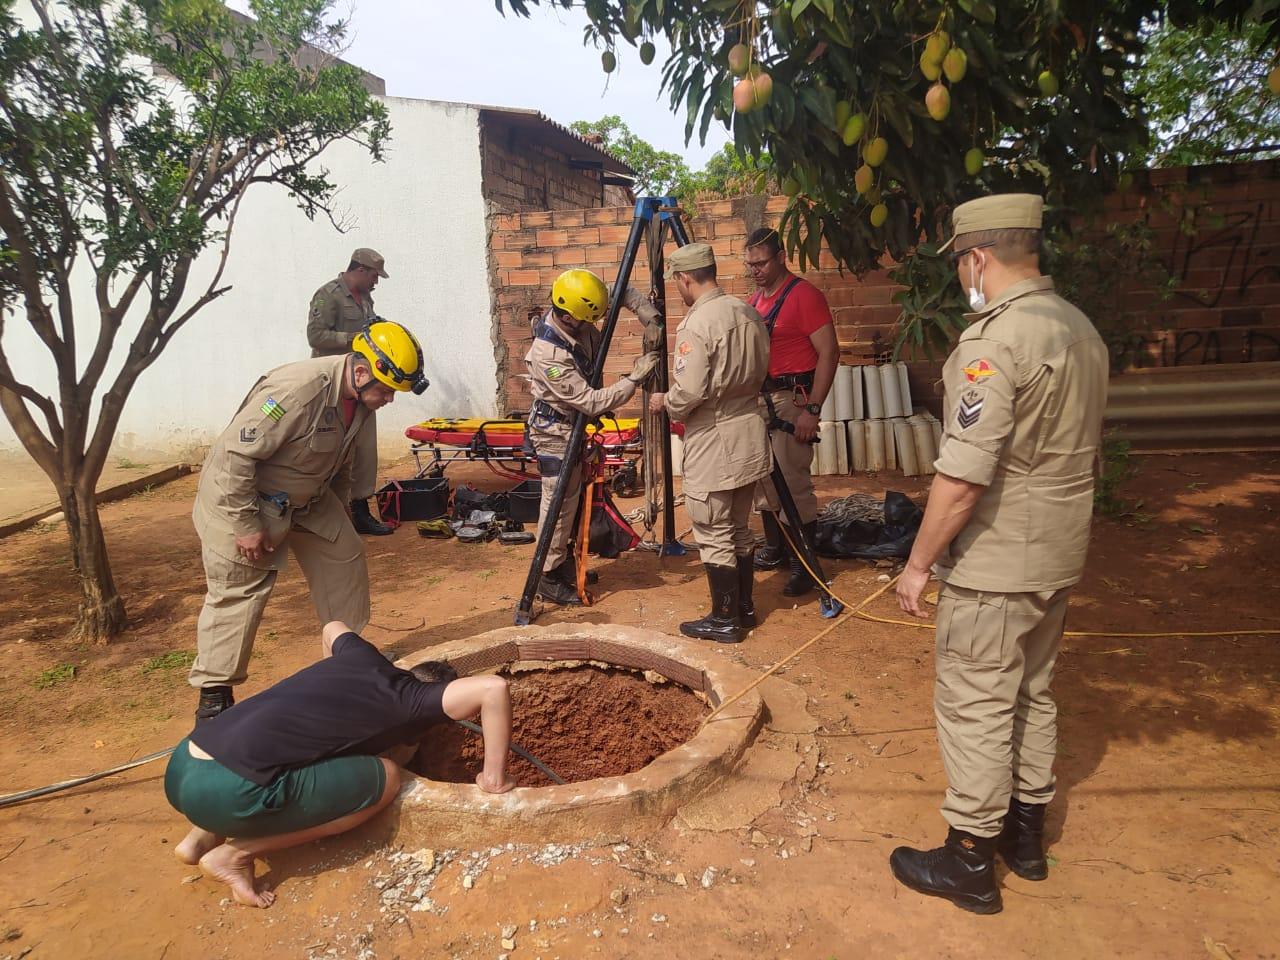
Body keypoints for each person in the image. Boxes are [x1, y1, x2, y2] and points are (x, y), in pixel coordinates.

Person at [889, 194, 1109, 915]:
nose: (962, 277)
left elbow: (961, 478)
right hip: (1058, 554)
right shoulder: (1080, 332)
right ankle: (1027, 837)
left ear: (977, 258)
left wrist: (919, 563)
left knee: (976, 701)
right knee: (1031, 691)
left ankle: (969, 861)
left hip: (997, 562)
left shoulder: (994, 344)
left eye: (961, 264)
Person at [166, 619, 515, 908]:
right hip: (230, 789)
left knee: (272, 749)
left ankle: (197, 840)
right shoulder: (414, 701)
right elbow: (493, 689)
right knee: (387, 779)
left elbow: (332, 627)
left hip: (186, 762)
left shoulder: (364, 657)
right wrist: (492, 779)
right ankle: (235, 855)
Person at [188, 320, 427, 722]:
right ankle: (214, 696)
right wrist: (245, 524)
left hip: (306, 495)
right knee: (240, 591)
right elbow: (235, 458)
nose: (388, 399)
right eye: (385, 389)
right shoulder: (297, 391)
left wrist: (347, 509)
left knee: (344, 553)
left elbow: (342, 460)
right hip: (243, 498)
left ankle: (346, 657)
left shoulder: (359, 397)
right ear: (362, 370)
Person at [648, 243, 771, 643]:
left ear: (685, 278)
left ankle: (723, 620)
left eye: (677, 283)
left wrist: (664, 401)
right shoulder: (748, 311)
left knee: (712, 527)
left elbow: (690, 390)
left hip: (714, 435)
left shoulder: (695, 325)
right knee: (739, 525)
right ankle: (744, 608)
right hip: (750, 429)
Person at [524, 268, 661, 606]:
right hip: (554, 432)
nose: (591, 324)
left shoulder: (579, 299)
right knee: (558, 503)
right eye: (585, 320)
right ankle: (548, 574)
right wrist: (633, 379)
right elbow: (589, 400)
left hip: (574, 426)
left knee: (576, 501)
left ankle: (564, 561)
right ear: (568, 315)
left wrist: (650, 317)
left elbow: (621, 290)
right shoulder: (548, 355)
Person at [743, 228, 840, 597]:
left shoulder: (804, 297)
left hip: (792, 399)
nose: (756, 270)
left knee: (793, 483)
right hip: (762, 400)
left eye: (762, 262)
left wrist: (812, 410)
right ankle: (776, 548)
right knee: (765, 480)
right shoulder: (757, 300)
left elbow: (830, 353)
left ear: (781, 256)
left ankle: (804, 565)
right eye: (751, 264)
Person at [308, 248, 392, 536]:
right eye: (373, 275)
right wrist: (353, 339)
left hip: (364, 383)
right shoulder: (327, 295)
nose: (376, 282)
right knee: (332, 449)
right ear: (359, 269)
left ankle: (360, 509)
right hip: (334, 385)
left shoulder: (365, 297)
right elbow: (315, 336)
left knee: (366, 449)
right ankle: (326, 510)